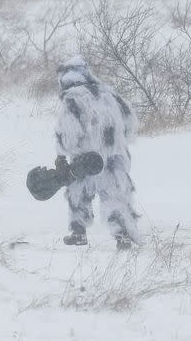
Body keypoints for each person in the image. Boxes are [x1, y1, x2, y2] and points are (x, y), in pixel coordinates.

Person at [54, 56, 141, 250]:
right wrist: (116, 142)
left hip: (86, 159)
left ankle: (78, 233)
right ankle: (123, 236)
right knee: (115, 196)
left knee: (78, 192)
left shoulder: (72, 100)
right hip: (113, 158)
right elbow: (130, 121)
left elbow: (67, 135)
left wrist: (62, 155)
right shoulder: (109, 94)